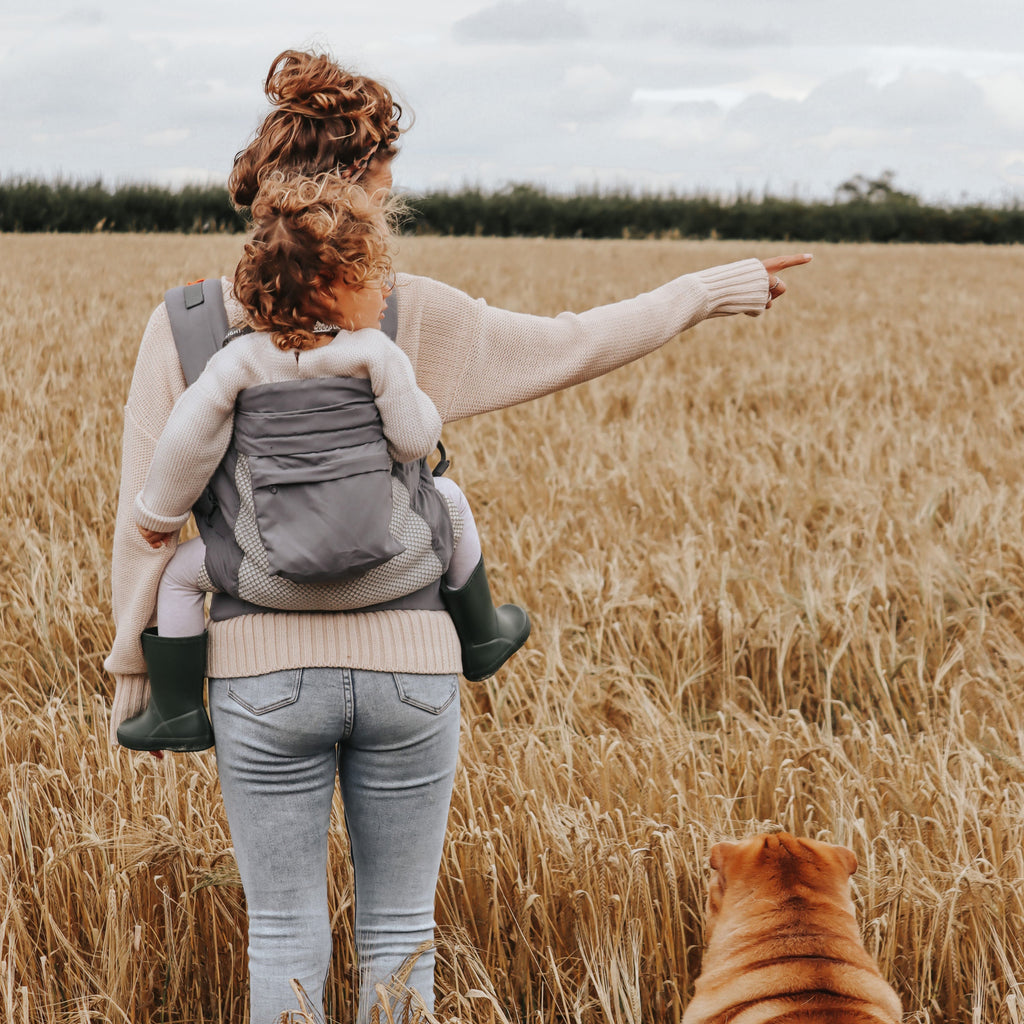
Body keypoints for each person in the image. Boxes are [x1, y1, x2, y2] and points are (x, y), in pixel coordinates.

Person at [104, 47, 811, 1024]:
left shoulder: (184, 327)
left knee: (282, 936)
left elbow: (145, 522)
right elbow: (575, 340)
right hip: (412, 666)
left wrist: (136, 675)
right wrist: (709, 287)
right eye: (388, 185)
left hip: (259, 675)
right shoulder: (401, 314)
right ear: (361, 187)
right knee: (399, 933)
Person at [116, 172, 529, 753]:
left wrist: (157, 517)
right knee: (452, 501)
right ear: (327, 289)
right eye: (371, 279)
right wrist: (423, 409)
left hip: (264, 576)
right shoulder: (373, 353)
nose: (386, 291)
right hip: (390, 564)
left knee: (182, 575)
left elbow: (185, 444)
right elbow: (413, 441)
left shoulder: (239, 363)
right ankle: (483, 635)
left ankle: (178, 710)